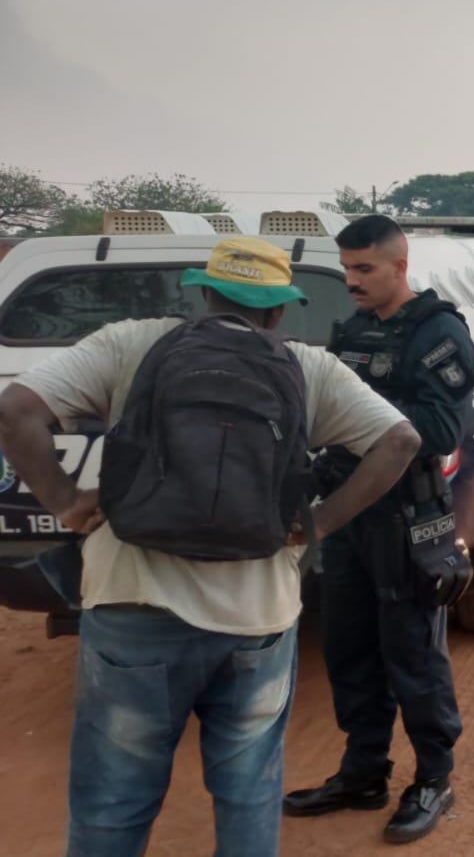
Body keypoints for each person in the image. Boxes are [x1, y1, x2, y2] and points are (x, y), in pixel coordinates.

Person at [0, 237, 421, 857]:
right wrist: (321, 521)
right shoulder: (307, 367)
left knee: (113, 803)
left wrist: (65, 500)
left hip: (132, 608)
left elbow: (14, 411)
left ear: (203, 294)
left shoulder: (131, 343)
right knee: (247, 794)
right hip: (257, 619)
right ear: (279, 310)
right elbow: (401, 441)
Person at [283, 215, 474, 845]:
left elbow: (442, 428)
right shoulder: (357, 328)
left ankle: (433, 779)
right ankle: (362, 772)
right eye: (346, 269)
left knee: (413, 654)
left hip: (406, 517)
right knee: (349, 650)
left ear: (400, 265)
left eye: (364, 269)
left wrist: (356, 411)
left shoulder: (438, 330)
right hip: (347, 511)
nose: (352, 280)